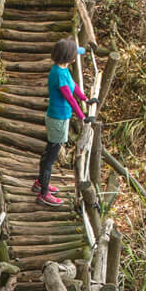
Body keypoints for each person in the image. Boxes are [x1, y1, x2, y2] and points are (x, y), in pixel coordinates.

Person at [35, 37, 86, 204]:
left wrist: (85, 99)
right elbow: (69, 98)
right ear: (68, 57)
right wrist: (82, 116)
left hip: (59, 117)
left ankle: (40, 182)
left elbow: (74, 86)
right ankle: (43, 193)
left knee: (49, 150)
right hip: (57, 119)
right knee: (51, 156)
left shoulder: (63, 70)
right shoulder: (58, 74)